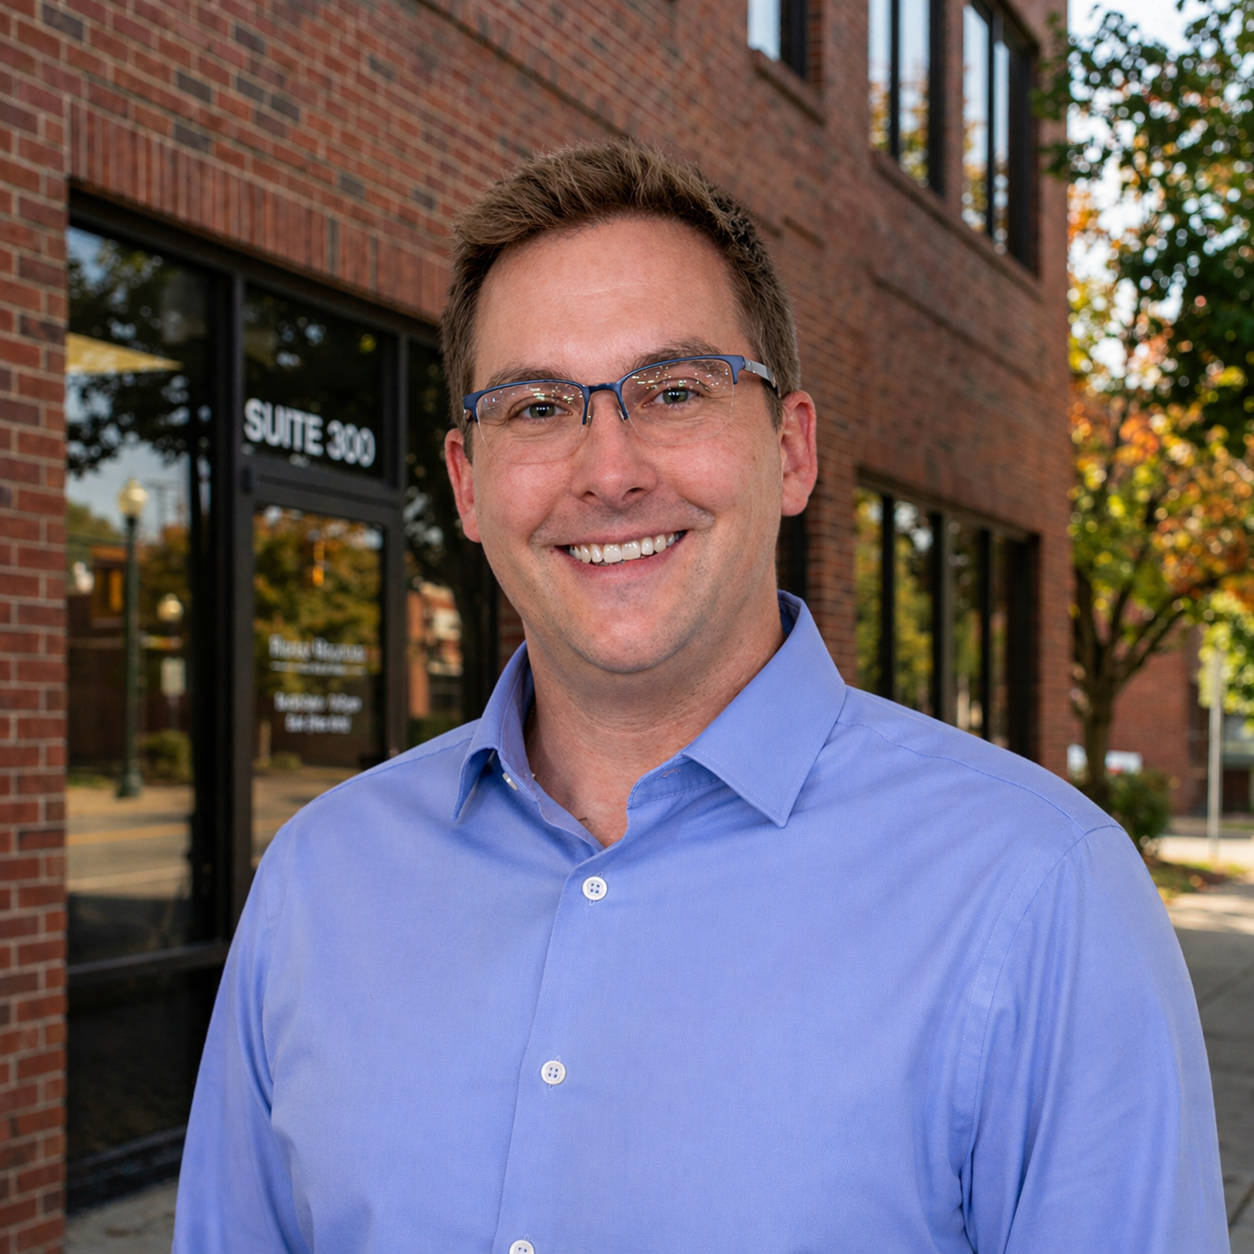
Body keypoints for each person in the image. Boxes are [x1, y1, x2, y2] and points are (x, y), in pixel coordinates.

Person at [174, 141, 1227, 1253]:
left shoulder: (1040, 895)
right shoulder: (317, 883)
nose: (610, 468)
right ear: (467, 483)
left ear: (792, 448)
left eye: (673, 391)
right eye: (537, 407)